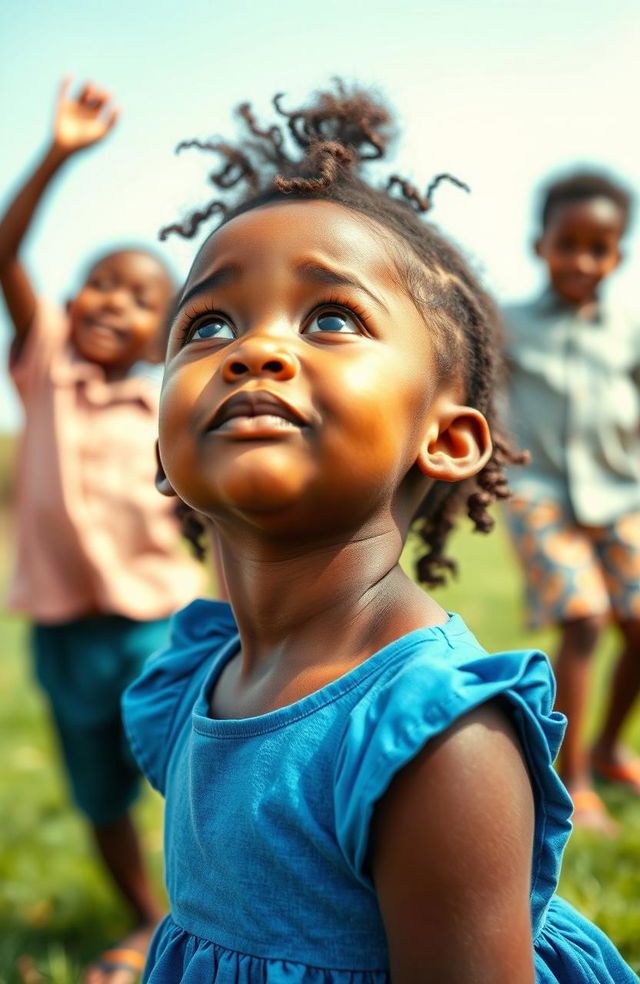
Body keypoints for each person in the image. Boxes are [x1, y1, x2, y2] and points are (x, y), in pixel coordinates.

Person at [122, 85, 637, 982]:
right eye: (207, 324)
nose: (253, 350)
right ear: (163, 454)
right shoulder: (199, 680)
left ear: (446, 438)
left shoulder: (435, 741)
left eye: (331, 318)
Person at [0, 79, 203, 984]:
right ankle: (149, 920)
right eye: (100, 285)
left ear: (166, 334)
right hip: (62, 628)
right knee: (97, 793)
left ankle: (209, 916)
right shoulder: (44, 365)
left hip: (155, 625)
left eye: (138, 297)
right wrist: (58, 154)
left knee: (188, 781)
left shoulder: (167, 402)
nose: (112, 303)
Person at [501, 171, 640, 835]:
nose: (583, 260)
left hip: (621, 492)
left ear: (619, 254)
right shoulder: (511, 325)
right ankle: (571, 777)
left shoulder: (628, 329)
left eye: (601, 247)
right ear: (540, 245)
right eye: (569, 244)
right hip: (541, 493)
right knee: (583, 620)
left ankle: (610, 747)